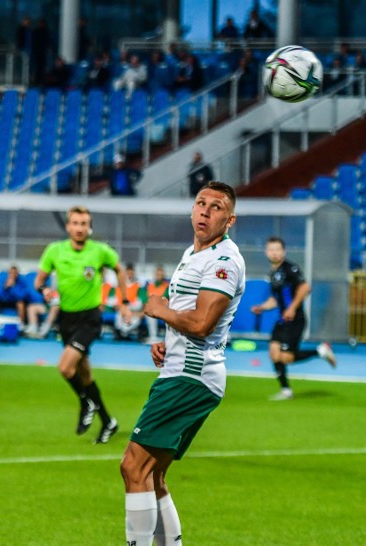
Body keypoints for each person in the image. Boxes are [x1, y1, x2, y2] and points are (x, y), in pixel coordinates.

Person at [119, 182, 245, 545]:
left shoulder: (223, 261)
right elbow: (191, 320)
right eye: (200, 203)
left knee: (133, 466)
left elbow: (203, 323)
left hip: (190, 375)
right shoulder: (194, 253)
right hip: (186, 369)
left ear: (230, 219)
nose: (205, 211)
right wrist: (168, 341)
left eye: (216, 207)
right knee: (153, 475)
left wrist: (160, 309)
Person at [33, 206, 131, 443]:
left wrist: (124, 301)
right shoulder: (54, 251)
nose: (79, 228)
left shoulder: (99, 251)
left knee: (66, 368)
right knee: (85, 375)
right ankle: (108, 422)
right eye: (75, 223)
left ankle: (85, 403)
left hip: (89, 318)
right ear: (68, 226)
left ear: (90, 227)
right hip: (66, 319)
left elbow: (119, 269)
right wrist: (45, 290)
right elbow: (39, 282)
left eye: (84, 223)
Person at [250, 237, 336, 400]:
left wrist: (291, 308)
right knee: (274, 353)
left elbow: (305, 288)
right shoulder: (273, 273)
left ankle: (320, 351)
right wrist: (262, 307)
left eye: (277, 249)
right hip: (282, 321)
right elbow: (275, 299)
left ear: (284, 251)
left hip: (295, 320)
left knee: (286, 358)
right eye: (271, 249)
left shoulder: (291, 269)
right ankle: (286, 391)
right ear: (266, 252)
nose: (274, 253)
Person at [108, 263, 144, 341]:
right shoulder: (118, 286)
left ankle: (123, 332)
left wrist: (128, 308)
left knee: (134, 317)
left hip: (133, 309)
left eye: (131, 273)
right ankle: (123, 332)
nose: (129, 275)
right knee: (120, 315)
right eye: (128, 273)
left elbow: (140, 303)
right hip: (120, 309)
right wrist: (121, 307)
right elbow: (111, 300)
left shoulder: (137, 286)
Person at [143, 265, 169, 343]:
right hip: (151, 309)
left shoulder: (167, 286)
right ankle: (153, 337)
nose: (159, 276)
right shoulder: (150, 286)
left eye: (161, 275)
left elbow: (166, 300)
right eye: (158, 274)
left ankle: (156, 337)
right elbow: (145, 300)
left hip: (163, 310)